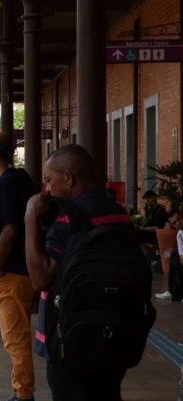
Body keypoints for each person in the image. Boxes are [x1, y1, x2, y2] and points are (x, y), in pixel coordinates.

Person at [25, 145, 136, 401]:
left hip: (71, 339)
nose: (47, 189)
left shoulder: (67, 219)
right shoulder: (119, 215)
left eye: (49, 181)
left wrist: (30, 215)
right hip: (116, 335)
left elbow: (41, 278)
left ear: (68, 178)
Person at [0, 132, 37, 401]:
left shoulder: (3, 184)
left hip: (11, 272)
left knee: (15, 336)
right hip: (25, 268)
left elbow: (10, 227)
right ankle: (22, 389)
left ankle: (23, 393)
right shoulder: (23, 179)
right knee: (21, 332)